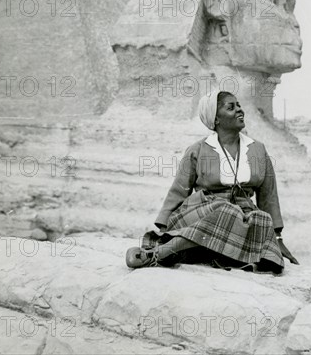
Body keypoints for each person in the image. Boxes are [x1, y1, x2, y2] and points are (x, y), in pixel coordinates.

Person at [125, 91, 298, 274]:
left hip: (241, 217)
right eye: (231, 107)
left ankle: (204, 251)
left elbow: (268, 195)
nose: (240, 110)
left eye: (239, 105)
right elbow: (178, 190)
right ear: (216, 120)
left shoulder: (258, 150)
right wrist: (163, 231)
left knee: (262, 219)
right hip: (203, 209)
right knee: (225, 210)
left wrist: (277, 239)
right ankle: (159, 253)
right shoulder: (197, 150)